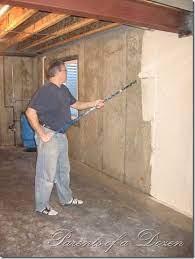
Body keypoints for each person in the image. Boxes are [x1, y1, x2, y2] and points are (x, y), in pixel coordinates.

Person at [26, 60, 104, 216]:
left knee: (63, 171)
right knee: (46, 173)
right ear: (57, 73)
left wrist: (94, 103)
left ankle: (66, 198)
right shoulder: (45, 90)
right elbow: (30, 112)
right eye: (65, 70)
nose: (67, 73)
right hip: (49, 136)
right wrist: (42, 134)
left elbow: (76, 104)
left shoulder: (63, 89)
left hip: (61, 136)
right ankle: (42, 206)